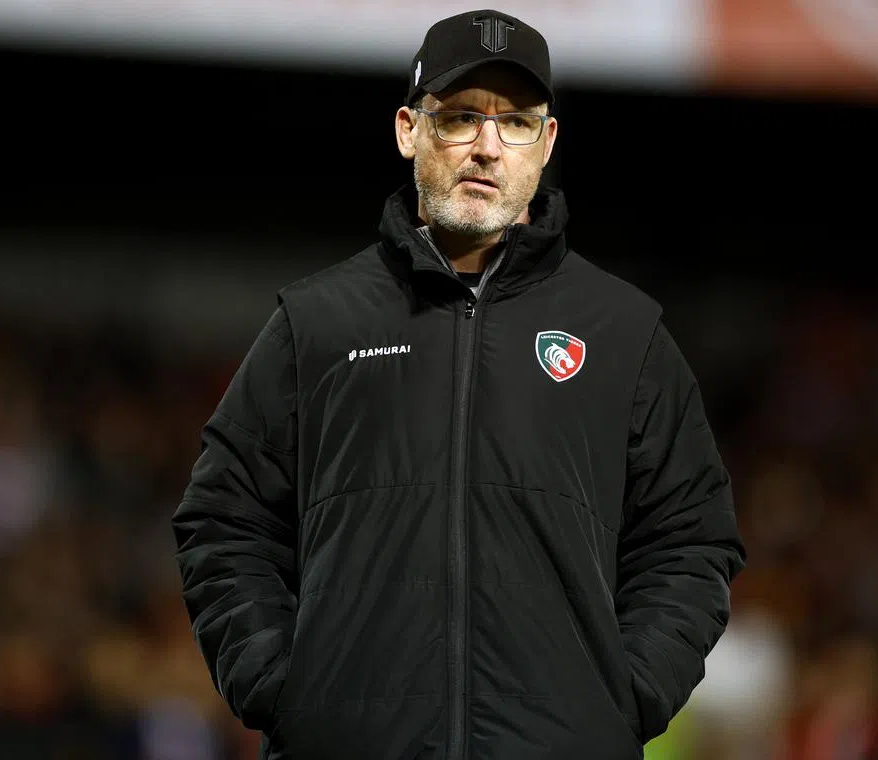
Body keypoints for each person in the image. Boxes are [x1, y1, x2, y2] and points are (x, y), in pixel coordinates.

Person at [171, 8, 745, 759]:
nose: (486, 147)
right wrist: (287, 689)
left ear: (546, 146)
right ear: (409, 130)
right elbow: (223, 521)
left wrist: (619, 697)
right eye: (462, 117)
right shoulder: (316, 324)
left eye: (515, 123)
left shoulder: (624, 334)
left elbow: (692, 542)